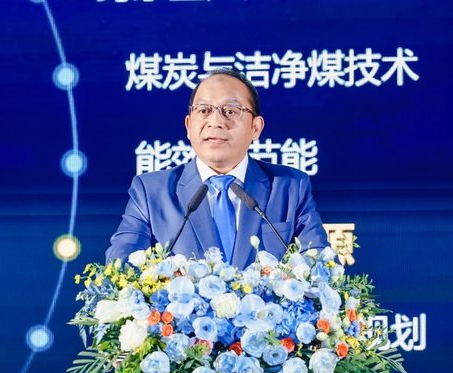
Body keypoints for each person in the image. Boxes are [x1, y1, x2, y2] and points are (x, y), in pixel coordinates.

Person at [106, 68, 328, 268]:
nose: (215, 121)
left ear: (256, 127)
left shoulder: (290, 187)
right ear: (188, 126)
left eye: (230, 111)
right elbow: (121, 266)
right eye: (204, 110)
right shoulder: (151, 191)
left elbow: (321, 268)